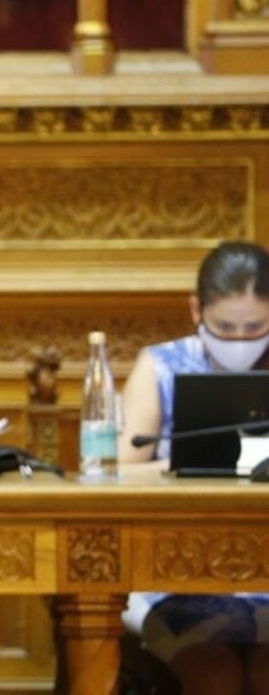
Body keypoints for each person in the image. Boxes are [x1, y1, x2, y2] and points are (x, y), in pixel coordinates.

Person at [119, 240, 269, 695]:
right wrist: (187, 467)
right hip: (177, 574)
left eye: (255, 328)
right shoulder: (160, 365)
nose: (240, 341)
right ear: (196, 311)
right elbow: (118, 473)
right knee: (214, 676)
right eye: (225, 328)